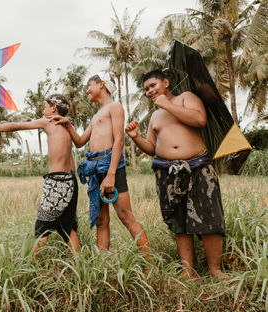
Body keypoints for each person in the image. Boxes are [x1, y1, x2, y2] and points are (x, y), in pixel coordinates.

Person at [125, 69, 226, 278]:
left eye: (153, 85)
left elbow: (200, 120)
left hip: (198, 167)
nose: (150, 91)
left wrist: (167, 105)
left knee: (209, 217)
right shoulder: (154, 116)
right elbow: (152, 147)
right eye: (146, 89)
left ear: (166, 82)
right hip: (168, 174)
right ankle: (188, 270)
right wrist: (135, 137)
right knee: (179, 222)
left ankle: (215, 270)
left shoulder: (185, 98)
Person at [50, 73, 150, 256]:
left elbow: (119, 140)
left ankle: (150, 263)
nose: (87, 90)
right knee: (101, 220)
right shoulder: (96, 116)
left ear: (101, 84)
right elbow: (80, 142)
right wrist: (68, 125)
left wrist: (111, 174)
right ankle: (102, 262)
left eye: (89, 85)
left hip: (111, 167)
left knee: (126, 216)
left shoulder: (115, 107)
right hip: (94, 168)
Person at [0, 94, 80, 255]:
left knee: (42, 228)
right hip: (69, 181)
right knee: (68, 226)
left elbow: (14, 125)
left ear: (54, 109)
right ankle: (79, 267)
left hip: (56, 182)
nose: (43, 109)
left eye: (45, 106)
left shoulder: (49, 121)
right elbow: (71, 162)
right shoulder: (66, 128)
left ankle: (30, 269)